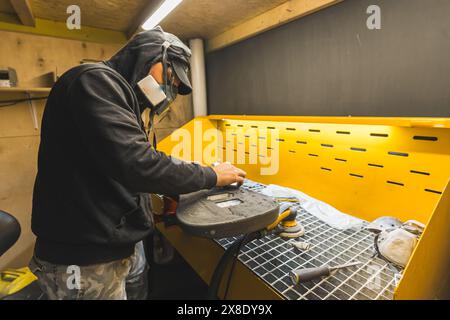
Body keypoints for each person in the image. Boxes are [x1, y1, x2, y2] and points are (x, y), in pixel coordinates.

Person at [29, 26, 246, 300]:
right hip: (86, 259)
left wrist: (159, 200)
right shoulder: (93, 81)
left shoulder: (124, 100)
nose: (169, 91)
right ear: (148, 58)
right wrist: (212, 175)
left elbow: (119, 169)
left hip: (120, 245)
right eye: (169, 78)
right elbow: (139, 165)